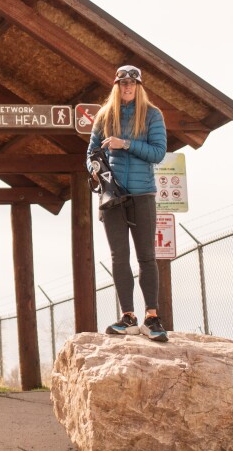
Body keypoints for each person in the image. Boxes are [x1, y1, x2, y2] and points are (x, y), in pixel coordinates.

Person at [87, 65, 168, 342]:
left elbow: (158, 153)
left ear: (139, 86)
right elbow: (90, 153)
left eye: (132, 83)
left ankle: (152, 316)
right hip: (112, 196)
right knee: (118, 257)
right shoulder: (104, 116)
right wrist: (94, 167)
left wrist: (126, 144)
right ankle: (128, 316)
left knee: (146, 255)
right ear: (116, 86)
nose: (127, 87)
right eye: (122, 83)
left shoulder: (153, 115)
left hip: (142, 194)